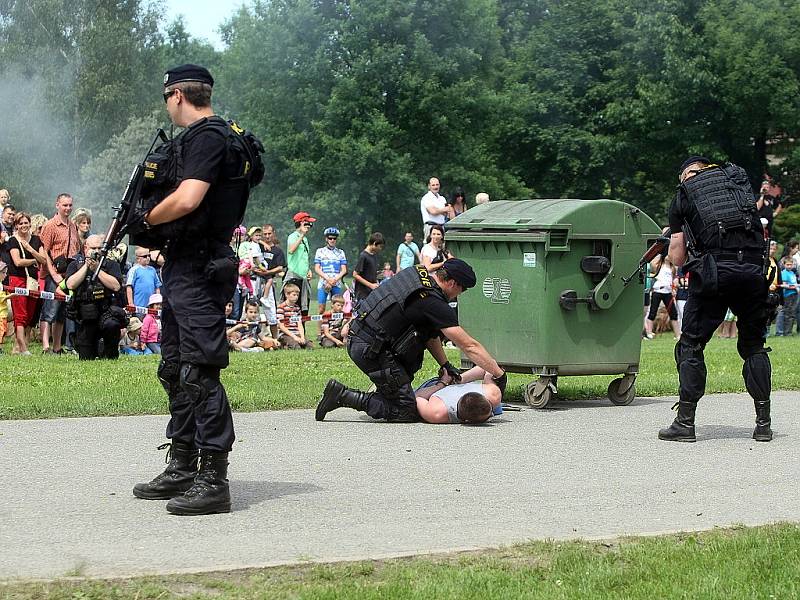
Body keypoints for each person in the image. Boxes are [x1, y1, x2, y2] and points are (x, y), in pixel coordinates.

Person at [130, 64, 264, 515]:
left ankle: (214, 479)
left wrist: (145, 219)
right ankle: (183, 462)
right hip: (186, 264)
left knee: (199, 372)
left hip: (200, 267)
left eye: (166, 97)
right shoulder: (224, 137)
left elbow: (188, 198)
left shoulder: (208, 137)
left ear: (177, 96)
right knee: (174, 367)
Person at [659, 156, 772, 443]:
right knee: (754, 346)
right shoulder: (737, 185)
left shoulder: (684, 194)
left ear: (687, 174)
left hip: (713, 276)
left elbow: (678, 257)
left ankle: (685, 424)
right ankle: (763, 424)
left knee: (691, 345)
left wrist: (672, 239)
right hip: (752, 274)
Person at [315, 258, 507, 423]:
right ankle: (342, 396)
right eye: (462, 290)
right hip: (371, 351)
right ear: (453, 283)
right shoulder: (433, 302)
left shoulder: (416, 275)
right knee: (406, 409)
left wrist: (445, 364)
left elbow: (429, 335)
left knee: (405, 378)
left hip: (364, 340)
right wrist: (497, 373)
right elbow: (469, 346)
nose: (460, 294)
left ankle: (385, 393)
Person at [64, 234, 126, 360]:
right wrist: (87, 267)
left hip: (106, 311)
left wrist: (97, 269)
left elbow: (116, 286)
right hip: (86, 315)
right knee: (86, 357)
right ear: (85, 247)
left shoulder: (111, 264)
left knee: (112, 326)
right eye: (94, 248)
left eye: (99, 248)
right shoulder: (75, 264)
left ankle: (110, 353)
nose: (97, 251)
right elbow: (70, 284)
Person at [39, 193, 80, 355]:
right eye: (65, 205)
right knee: (49, 310)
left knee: (63, 312)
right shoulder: (50, 225)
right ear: (57, 205)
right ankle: (45, 346)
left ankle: (57, 347)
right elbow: (44, 251)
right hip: (54, 274)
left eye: (70, 205)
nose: (68, 208)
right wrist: (53, 274)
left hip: (69, 276)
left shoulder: (73, 226)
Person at [7, 212, 47, 355]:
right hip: (17, 279)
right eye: (20, 223)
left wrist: (30, 250)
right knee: (21, 314)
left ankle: (18, 347)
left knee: (30, 314)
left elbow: (44, 260)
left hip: (32, 281)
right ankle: (23, 349)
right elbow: (17, 262)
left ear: (30, 224)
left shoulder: (36, 240)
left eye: (26, 222)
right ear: (16, 225)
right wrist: (34, 260)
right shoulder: (12, 241)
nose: (24, 225)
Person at [414, 366, 502, 424]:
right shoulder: (436, 412)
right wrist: (442, 383)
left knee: (497, 408)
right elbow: (417, 396)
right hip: (436, 387)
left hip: (455, 384)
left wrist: (460, 379)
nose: (491, 415)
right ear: (466, 421)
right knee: (497, 409)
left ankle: (455, 379)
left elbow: (488, 367)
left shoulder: (493, 394)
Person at [257, 223, 286, 339]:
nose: (267, 236)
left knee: (271, 312)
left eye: (269, 234)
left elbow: (280, 267)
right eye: (265, 234)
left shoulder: (277, 251)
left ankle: (275, 339)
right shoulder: (257, 246)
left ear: (273, 233)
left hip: (269, 281)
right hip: (256, 280)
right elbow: (249, 239)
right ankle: (254, 337)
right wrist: (262, 242)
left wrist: (268, 272)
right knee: (252, 308)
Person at [285, 211, 315, 317]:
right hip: (294, 277)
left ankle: (302, 333)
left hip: (304, 278)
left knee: (304, 309)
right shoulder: (293, 236)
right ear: (302, 223)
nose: (310, 226)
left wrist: (308, 270)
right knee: (292, 309)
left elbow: (304, 257)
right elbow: (291, 250)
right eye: (307, 223)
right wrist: (301, 234)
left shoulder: (305, 239)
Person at [644, 255, 680, 339]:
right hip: (657, 291)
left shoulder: (672, 268)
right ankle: (649, 332)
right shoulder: (658, 265)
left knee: (673, 313)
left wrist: (675, 287)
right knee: (653, 312)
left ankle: (678, 334)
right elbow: (652, 263)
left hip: (668, 292)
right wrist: (660, 255)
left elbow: (674, 279)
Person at [314, 227, 347, 314]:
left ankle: (334, 327)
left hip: (336, 282)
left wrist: (334, 280)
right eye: (330, 238)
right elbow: (317, 268)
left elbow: (344, 270)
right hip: (323, 283)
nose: (332, 240)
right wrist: (328, 279)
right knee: (321, 309)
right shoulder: (320, 251)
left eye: (334, 238)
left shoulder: (341, 252)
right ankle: (320, 328)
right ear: (326, 239)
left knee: (337, 309)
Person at [352, 232, 384, 303]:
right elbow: (355, 274)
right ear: (375, 243)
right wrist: (370, 285)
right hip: (362, 294)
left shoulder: (374, 255)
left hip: (371, 293)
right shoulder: (363, 256)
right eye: (380, 246)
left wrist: (377, 275)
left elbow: (368, 272)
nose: (380, 249)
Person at [276, 282, 311, 349]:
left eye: (297, 295)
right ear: (287, 294)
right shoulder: (281, 308)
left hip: (296, 332)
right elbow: (281, 326)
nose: (296, 297)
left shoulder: (297, 308)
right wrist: (294, 337)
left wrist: (302, 337)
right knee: (296, 347)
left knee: (309, 346)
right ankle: (284, 345)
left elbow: (299, 324)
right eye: (294, 295)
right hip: (286, 334)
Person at [775, 257, 798, 336]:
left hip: (794, 295)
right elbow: (784, 285)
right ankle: (785, 332)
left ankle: (788, 331)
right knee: (787, 313)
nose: (789, 266)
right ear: (784, 265)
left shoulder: (792, 273)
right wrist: (794, 287)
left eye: (791, 265)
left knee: (792, 313)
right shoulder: (784, 273)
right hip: (787, 295)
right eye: (787, 264)